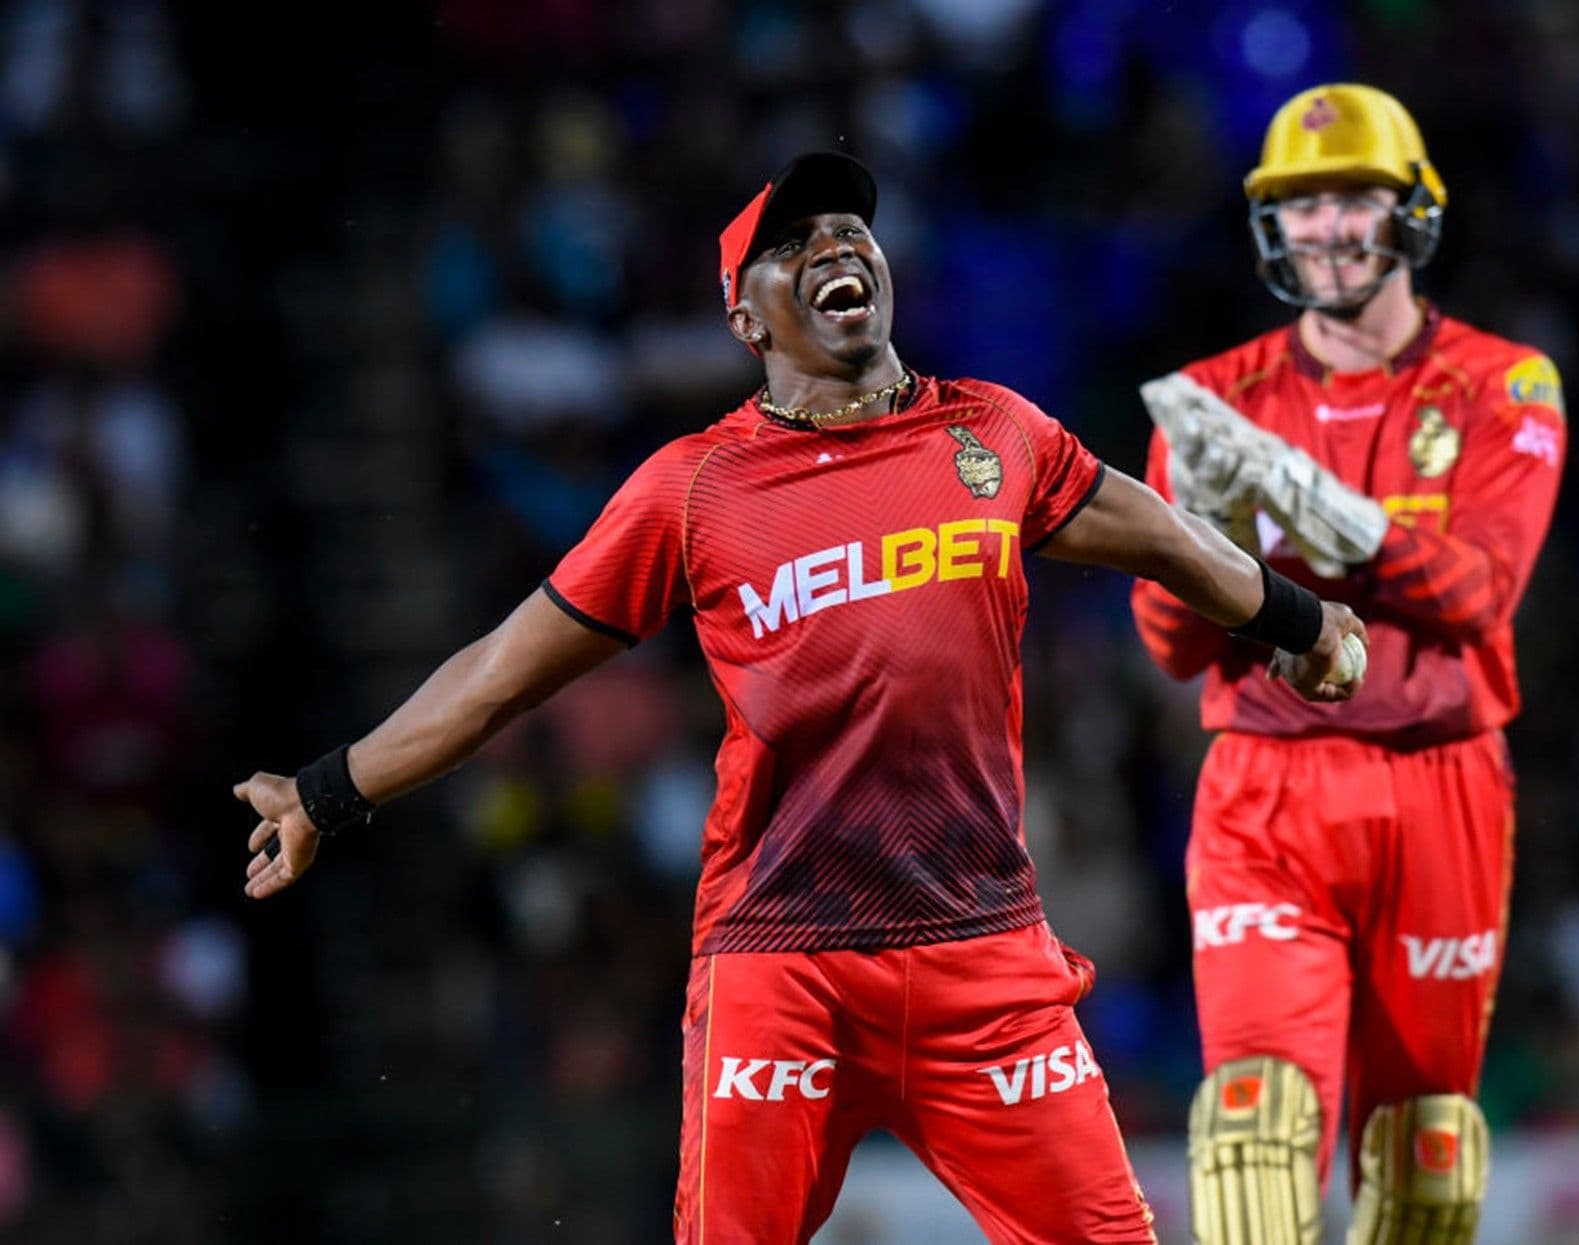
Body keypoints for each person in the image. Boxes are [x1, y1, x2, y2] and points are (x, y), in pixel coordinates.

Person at [236, 151, 1367, 1244]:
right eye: (791, 243)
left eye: (847, 227)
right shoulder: (694, 489)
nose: (833, 242)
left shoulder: (994, 434)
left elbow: (1166, 539)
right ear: (747, 319)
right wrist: (329, 792)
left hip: (983, 954)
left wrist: (1302, 625)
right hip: (783, 959)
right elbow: (495, 677)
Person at [1130, 85, 1568, 1245]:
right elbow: (1169, 648)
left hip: (1442, 789)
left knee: (1423, 1155)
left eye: (1352, 197)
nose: (1325, 225)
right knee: (1251, 1124)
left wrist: (1330, 518)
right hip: (1267, 788)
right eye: (1301, 203)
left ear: (1413, 208)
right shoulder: (1208, 409)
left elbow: (1481, 593)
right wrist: (1203, 545)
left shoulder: (1505, 384)